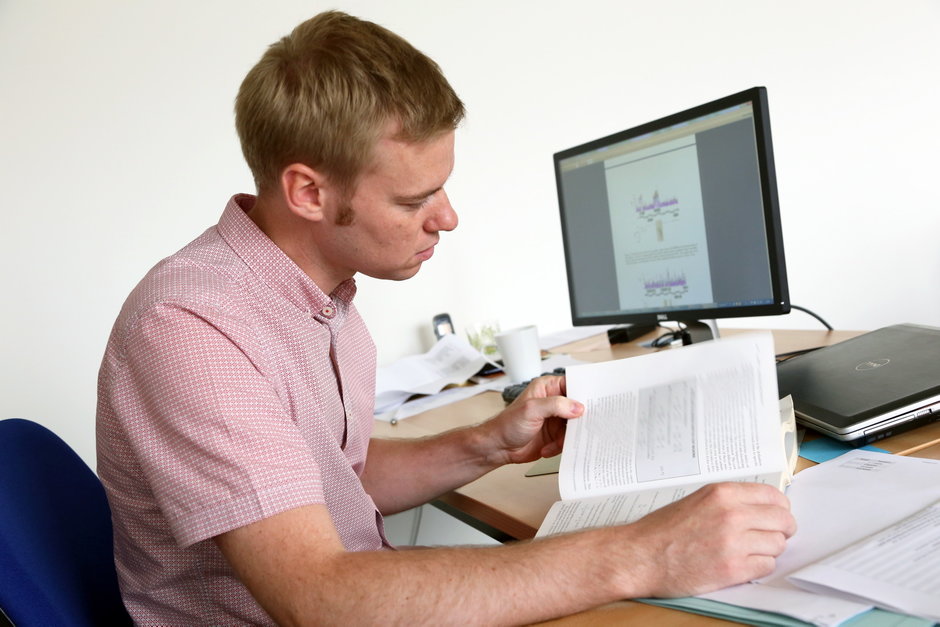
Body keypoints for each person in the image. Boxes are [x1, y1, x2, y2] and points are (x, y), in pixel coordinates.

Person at [96, 10, 796, 625]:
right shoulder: (192, 329)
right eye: (413, 200)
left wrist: (486, 444)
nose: (448, 218)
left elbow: (336, 476)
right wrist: (646, 552)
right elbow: (319, 600)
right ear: (308, 192)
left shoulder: (318, 298)